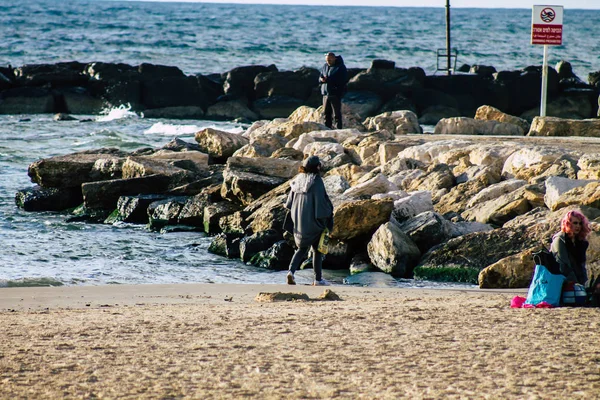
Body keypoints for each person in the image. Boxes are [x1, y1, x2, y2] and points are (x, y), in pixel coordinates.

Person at [285, 156, 334, 286]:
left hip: (299, 221)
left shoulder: (297, 180)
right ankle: (318, 280)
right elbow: (322, 202)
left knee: (301, 249)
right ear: (317, 167)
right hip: (314, 220)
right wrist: (328, 217)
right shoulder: (316, 181)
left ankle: (291, 272)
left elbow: (289, 203)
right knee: (318, 250)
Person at [550, 210, 590, 285]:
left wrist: (585, 284)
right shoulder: (560, 240)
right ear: (567, 223)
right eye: (575, 223)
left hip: (577, 282)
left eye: (580, 223)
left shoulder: (580, 242)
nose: (578, 226)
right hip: (561, 282)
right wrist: (576, 284)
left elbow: (581, 266)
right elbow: (563, 266)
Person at [319, 52, 347, 130]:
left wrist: (329, 80)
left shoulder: (340, 67)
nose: (328, 62)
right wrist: (321, 79)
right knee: (326, 113)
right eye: (327, 60)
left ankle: (339, 129)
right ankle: (327, 128)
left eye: (330, 60)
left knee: (336, 114)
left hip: (335, 93)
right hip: (325, 93)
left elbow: (343, 80)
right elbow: (320, 76)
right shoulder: (325, 66)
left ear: (334, 58)